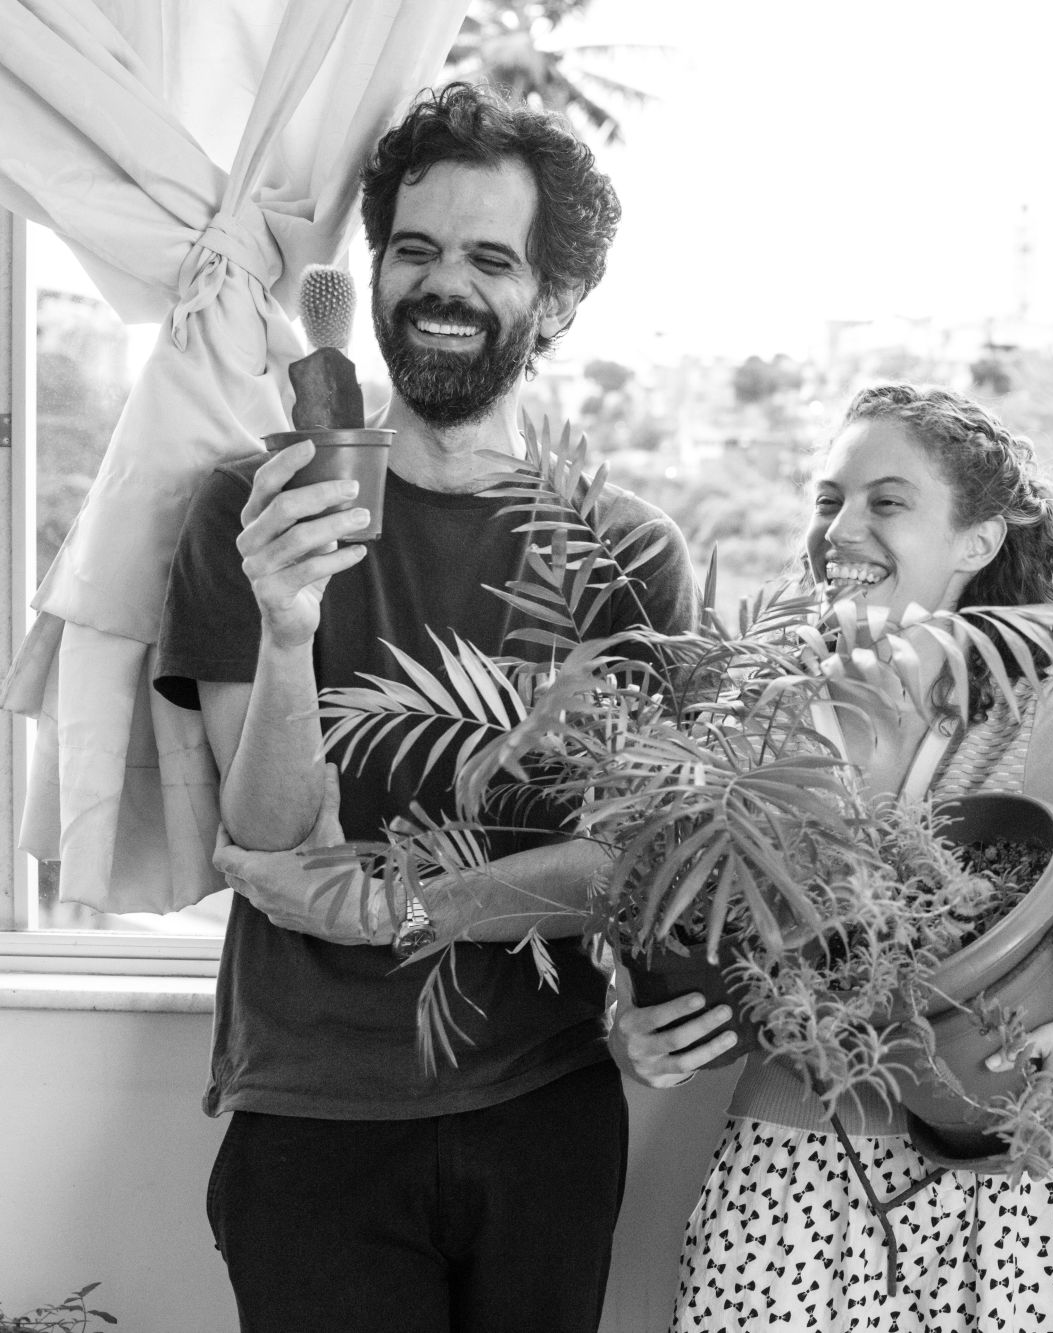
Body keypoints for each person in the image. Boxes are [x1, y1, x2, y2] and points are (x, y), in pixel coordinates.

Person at [152, 83, 697, 1333]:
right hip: (310, 1108)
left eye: (489, 259)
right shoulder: (257, 509)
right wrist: (287, 625)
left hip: (542, 1101)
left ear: (554, 299)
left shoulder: (626, 554)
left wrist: (404, 905)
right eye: (414, 249)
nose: (441, 284)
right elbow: (273, 844)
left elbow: (633, 863)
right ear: (374, 272)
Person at [612, 383, 1053, 1333]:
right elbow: (642, 911)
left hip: (991, 1220)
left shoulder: (1028, 727)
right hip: (777, 1192)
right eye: (828, 499)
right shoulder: (757, 723)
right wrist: (632, 1024)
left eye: (887, 501)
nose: (842, 528)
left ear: (978, 542)